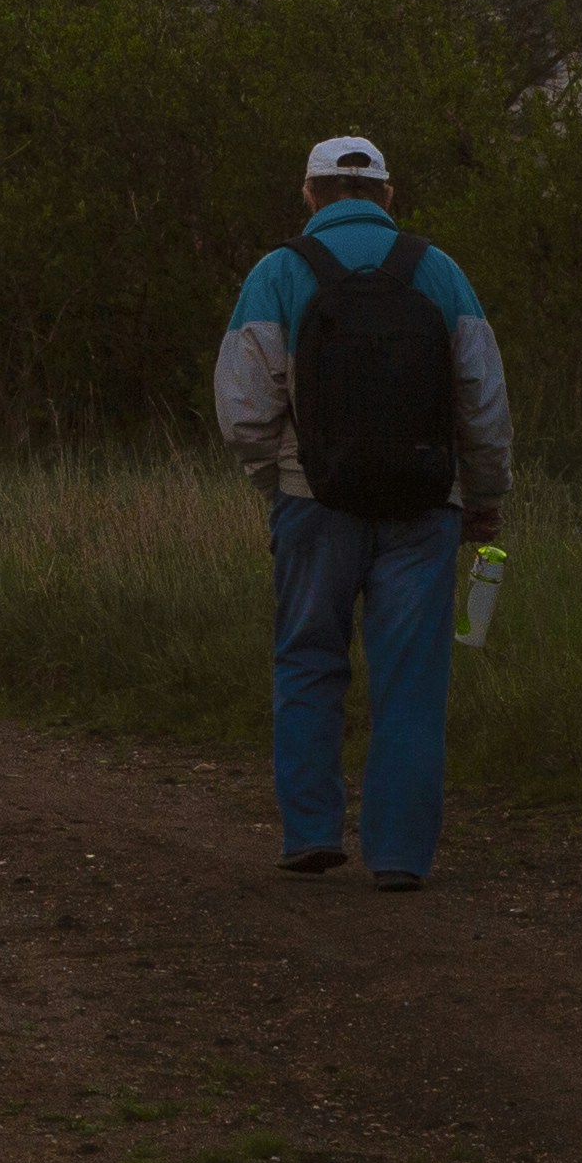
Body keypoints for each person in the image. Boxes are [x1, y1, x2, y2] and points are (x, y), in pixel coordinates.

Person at [212, 134, 512, 890]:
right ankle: (400, 857)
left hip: (312, 504)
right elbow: (483, 402)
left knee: (309, 661)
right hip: (425, 508)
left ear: (308, 193)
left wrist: (279, 478)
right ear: (388, 195)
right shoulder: (439, 273)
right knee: (410, 681)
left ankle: (311, 833)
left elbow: (244, 412)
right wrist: (485, 497)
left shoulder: (278, 272)